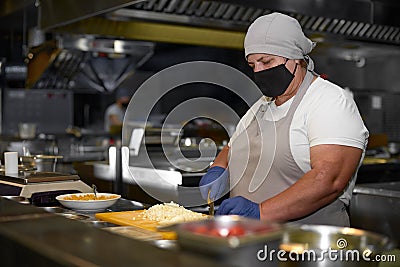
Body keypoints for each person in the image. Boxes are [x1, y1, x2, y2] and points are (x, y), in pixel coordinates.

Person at [199, 12, 369, 226]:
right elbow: (233, 147)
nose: (259, 71)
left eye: (266, 61)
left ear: (296, 58)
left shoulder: (329, 101)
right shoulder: (261, 105)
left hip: (305, 247)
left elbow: (329, 180)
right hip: (249, 243)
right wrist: (218, 168)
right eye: (252, 65)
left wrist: (259, 212)